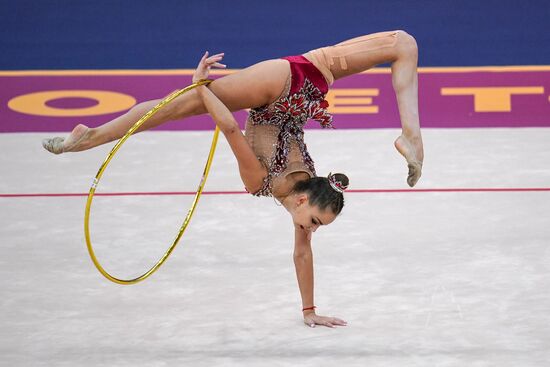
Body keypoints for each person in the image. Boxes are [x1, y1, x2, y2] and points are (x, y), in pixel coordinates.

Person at [43, 30, 424, 328]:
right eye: (315, 223)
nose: (313, 230)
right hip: (281, 85)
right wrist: (200, 86)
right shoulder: (261, 183)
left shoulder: (304, 193)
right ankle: (90, 137)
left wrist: (310, 311)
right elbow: (225, 125)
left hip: (308, 78)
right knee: (181, 104)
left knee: (403, 44)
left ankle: (410, 136)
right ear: (305, 202)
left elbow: (302, 253)